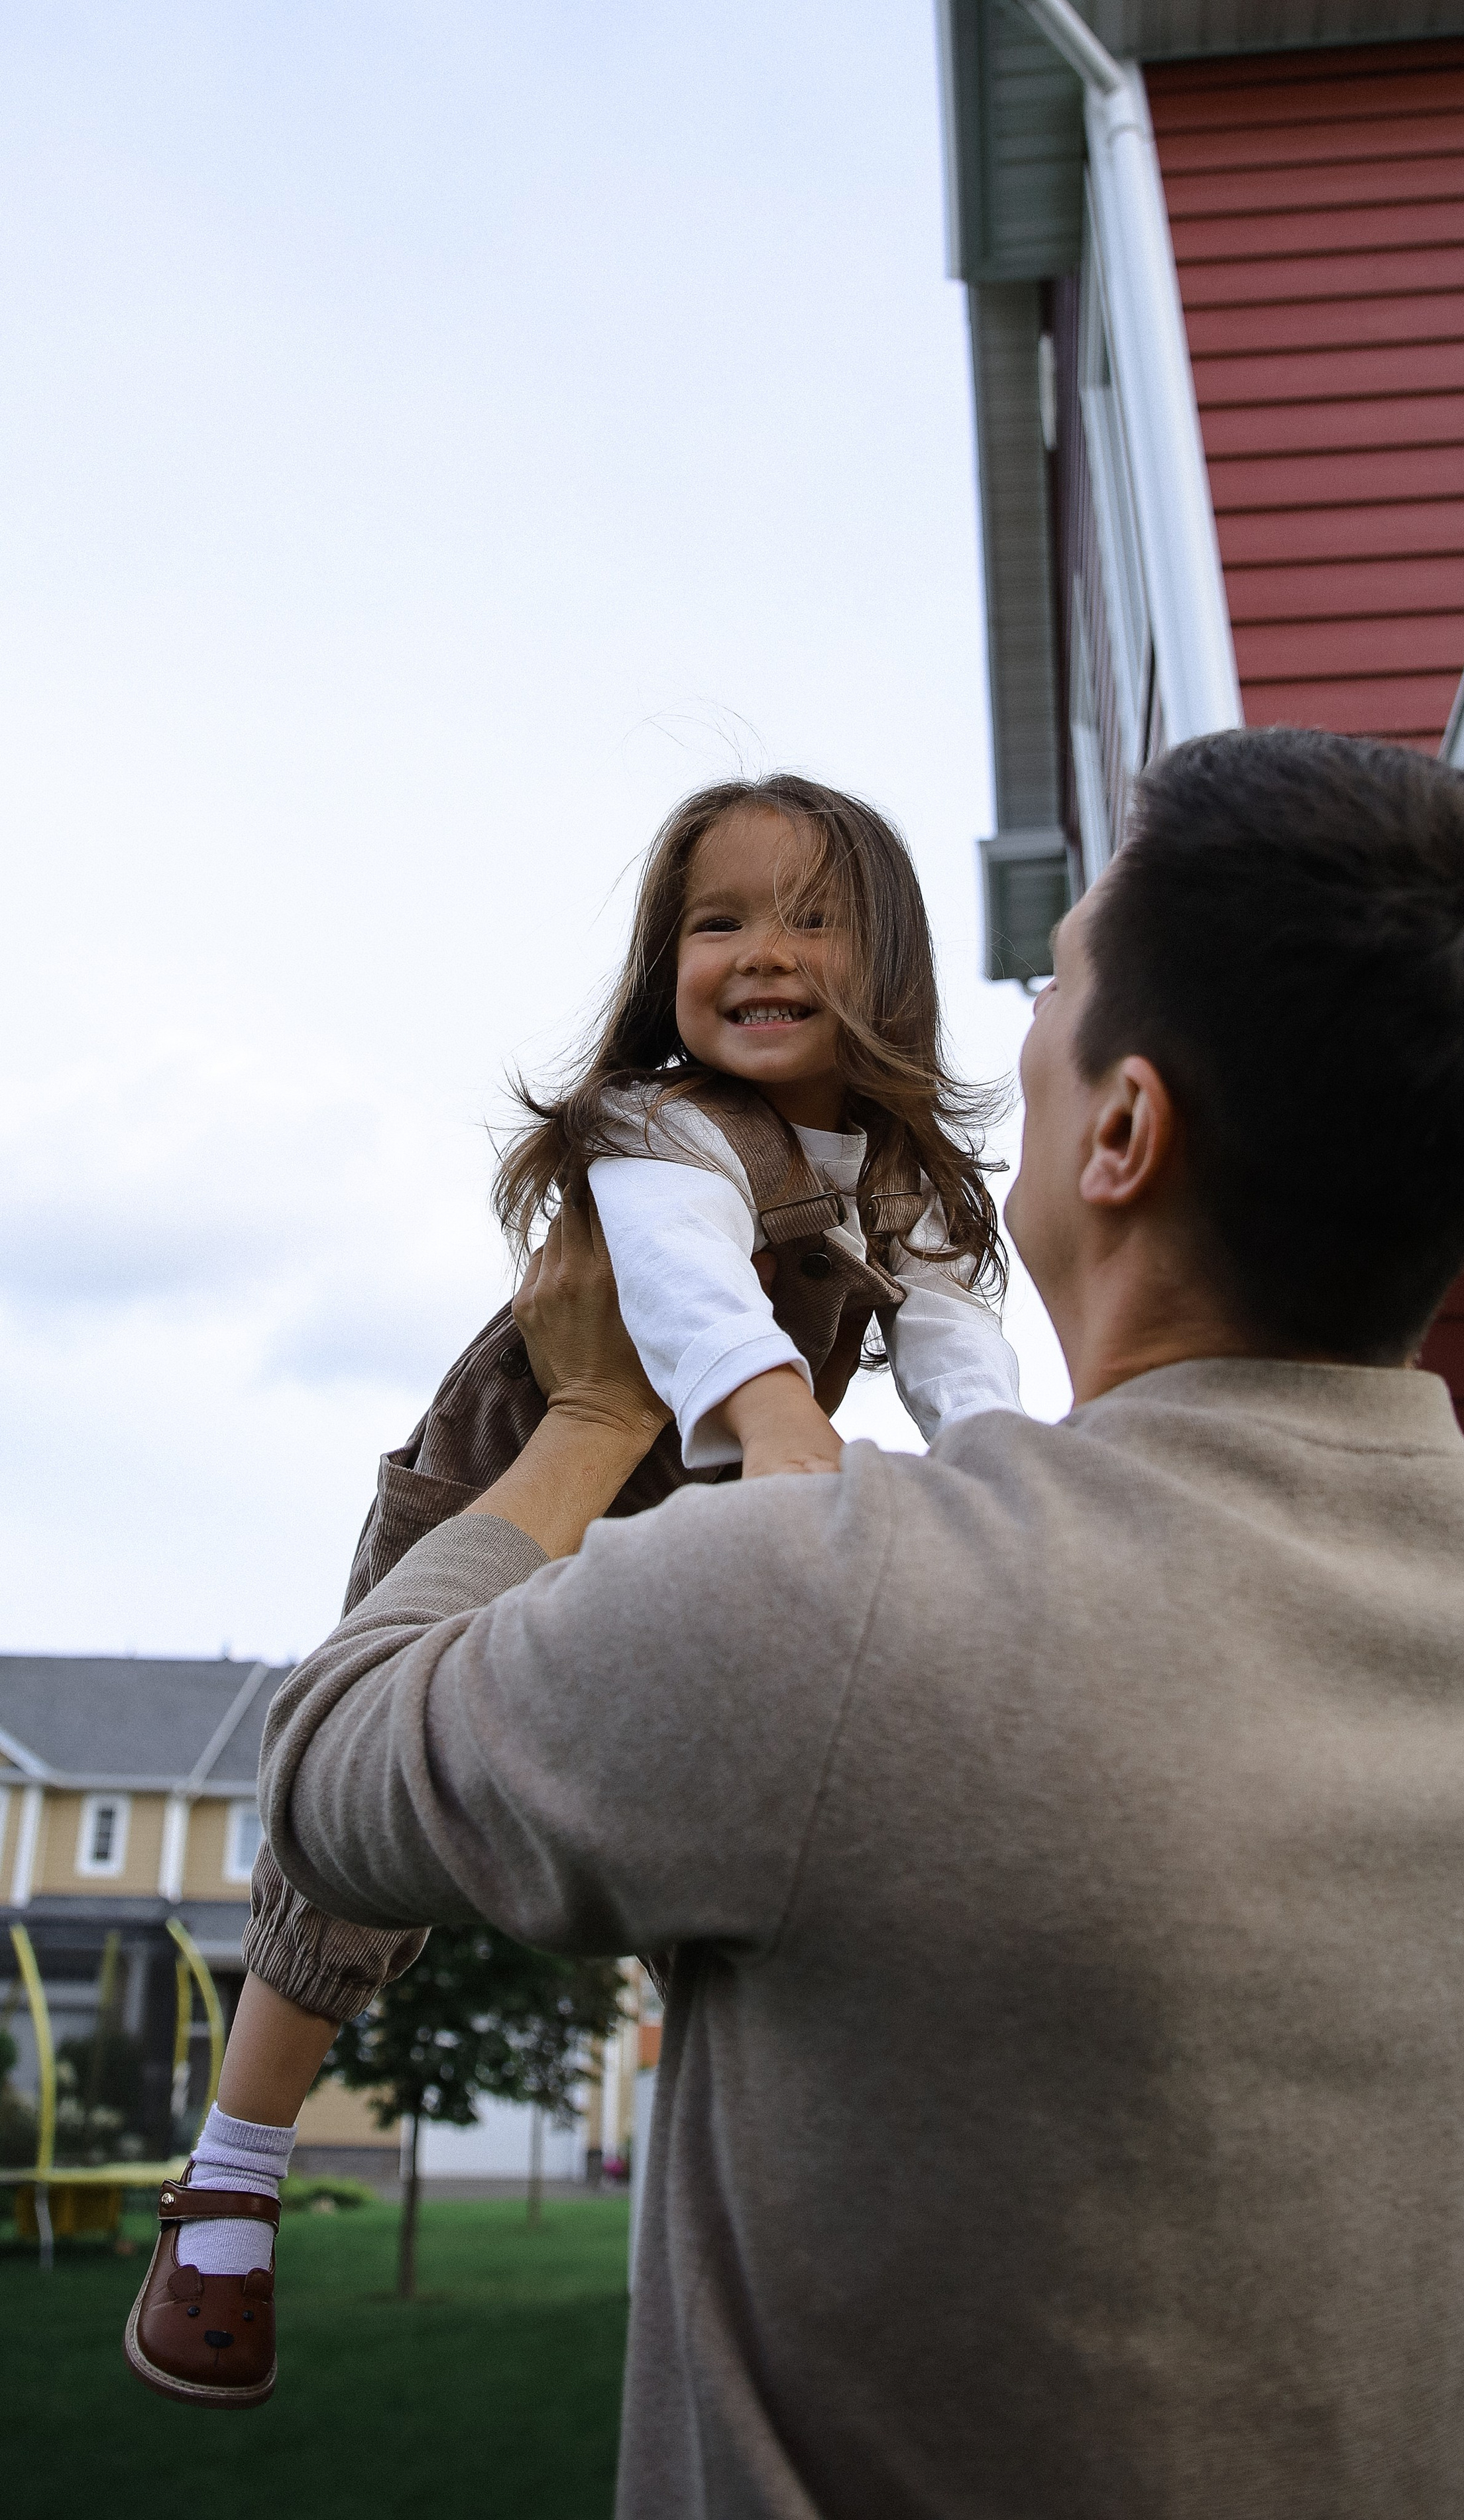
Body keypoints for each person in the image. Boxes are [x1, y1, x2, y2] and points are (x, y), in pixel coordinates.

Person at [152, 730, 1464, 2517]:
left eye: (1061, 984)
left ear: (1123, 1128)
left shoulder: (843, 1619)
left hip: (624, 1485)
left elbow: (327, 1768)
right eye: (722, 924)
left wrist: (595, 1426)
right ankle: (235, 2163)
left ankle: (225, 2189)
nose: (1019, 1025)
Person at [123, 775, 1020, 2411]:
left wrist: (1016, 1498)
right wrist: (770, 1419)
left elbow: (964, 1358)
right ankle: (233, 2180)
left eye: (810, 918)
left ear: (884, 962)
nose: (760, 952)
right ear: (660, 959)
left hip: (720, 1512)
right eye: (717, 920)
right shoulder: (656, 1127)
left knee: (754, 1816)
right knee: (350, 1851)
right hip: (512, 1484)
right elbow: (677, 1288)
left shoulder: (917, 1187)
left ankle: (743, 2215)